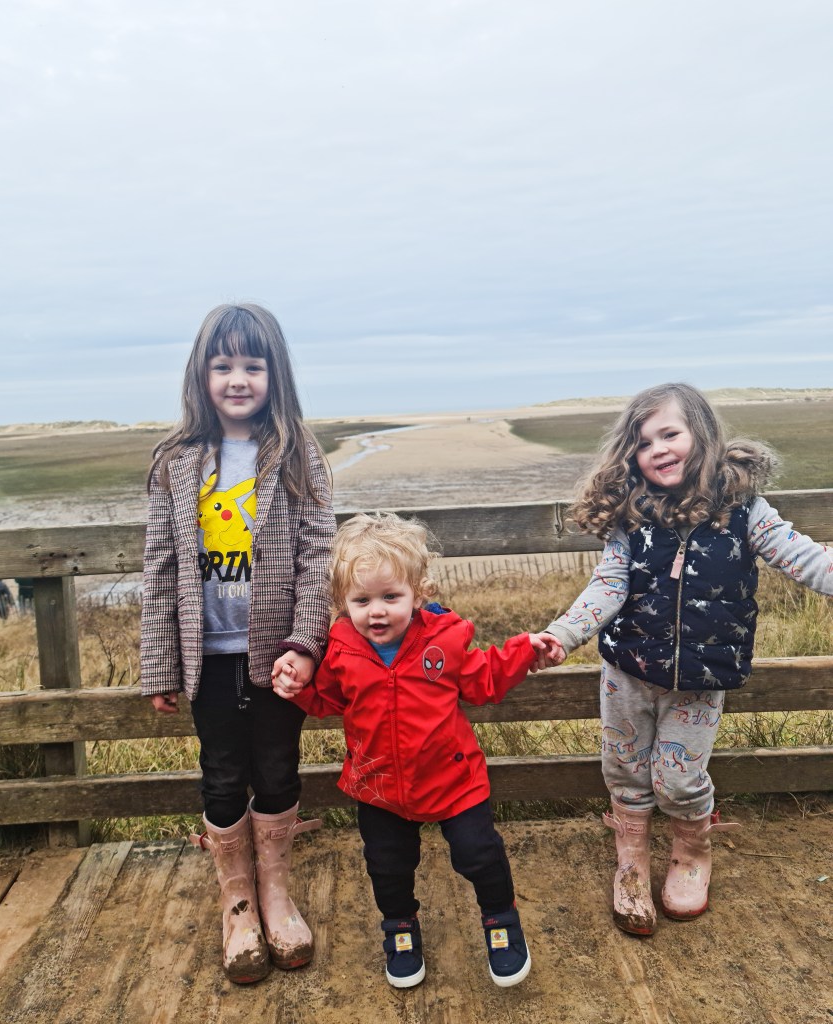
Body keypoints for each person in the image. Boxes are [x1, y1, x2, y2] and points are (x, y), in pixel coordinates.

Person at [539, 382, 833, 936]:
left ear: (702, 434)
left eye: (669, 434)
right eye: (643, 443)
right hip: (628, 672)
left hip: (700, 679)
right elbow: (608, 584)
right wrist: (562, 635)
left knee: (678, 779)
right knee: (625, 769)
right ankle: (631, 859)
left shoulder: (745, 511)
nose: (658, 450)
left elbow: (805, 558)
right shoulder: (631, 517)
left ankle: (692, 851)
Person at [273, 512, 563, 989]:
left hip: (453, 780)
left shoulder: (444, 638)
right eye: (362, 600)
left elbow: (484, 678)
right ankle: (400, 929)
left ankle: (501, 920)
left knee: (479, 853)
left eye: (391, 597)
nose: (377, 611)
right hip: (379, 785)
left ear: (417, 592)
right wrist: (297, 687)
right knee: (387, 866)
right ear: (343, 603)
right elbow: (327, 700)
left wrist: (525, 650)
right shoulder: (341, 647)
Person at [140, 303, 336, 984]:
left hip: (277, 655)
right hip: (207, 657)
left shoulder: (298, 453)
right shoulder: (174, 461)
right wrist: (161, 665)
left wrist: (305, 643)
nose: (237, 379)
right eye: (222, 365)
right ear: (201, 374)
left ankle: (277, 893)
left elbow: (318, 556)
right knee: (222, 775)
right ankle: (238, 903)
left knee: (278, 770)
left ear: (274, 373)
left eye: (252, 365)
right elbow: (160, 565)